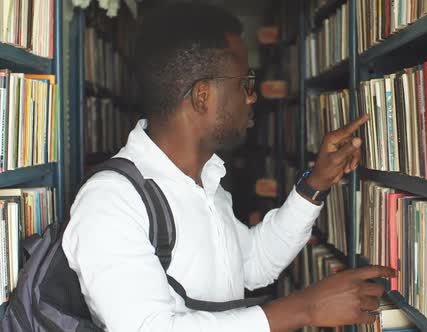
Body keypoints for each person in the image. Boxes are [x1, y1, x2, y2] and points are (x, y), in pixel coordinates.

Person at [62, 3, 395, 332]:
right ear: (203, 96)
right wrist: (304, 308)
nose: (252, 97)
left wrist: (315, 184)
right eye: (245, 83)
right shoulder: (110, 200)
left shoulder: (207, 183)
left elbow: (254, 265)